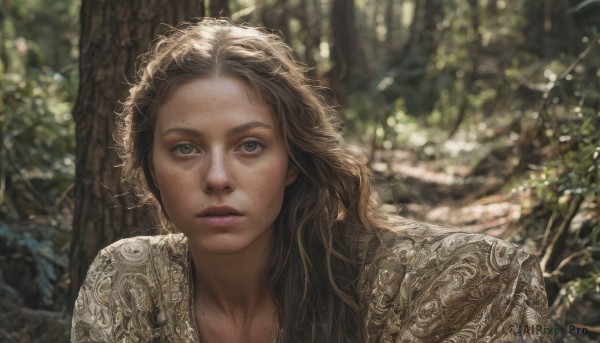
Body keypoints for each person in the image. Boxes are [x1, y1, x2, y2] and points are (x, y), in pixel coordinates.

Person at [71, 18, 552, 342]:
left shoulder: (392, 279)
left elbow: (503, 267)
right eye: (185, 148)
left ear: (293, 161)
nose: (217, 178)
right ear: (151, 166)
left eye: (250, 145)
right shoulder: (126, 281)